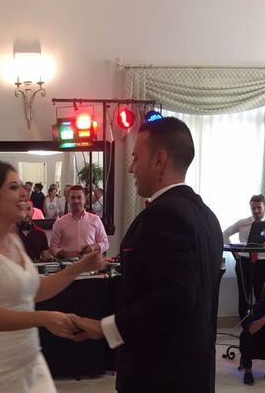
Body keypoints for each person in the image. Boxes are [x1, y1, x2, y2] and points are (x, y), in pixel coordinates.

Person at [71, 117, 223, 393]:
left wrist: (104, 328)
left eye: (135, 157)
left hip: (160, 374)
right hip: (195, 371)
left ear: (159, 160)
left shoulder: (163, 215)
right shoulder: (207, 216)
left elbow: (173, 298)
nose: (131, 168)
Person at [0, 159, 105, 392]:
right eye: (13, 187)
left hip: (28, 357)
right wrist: (43, 318)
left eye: (21, 186)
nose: (24, 192)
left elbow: (35, 290)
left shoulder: (14, 239)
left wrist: (78, 267)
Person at [49, 185, 109, 259]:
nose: (76, 201)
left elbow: (105, 243)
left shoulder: (95, 220)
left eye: (79, 197)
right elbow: (53, 248)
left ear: (85, 199)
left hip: (90, 265)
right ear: (68, 200)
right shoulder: (60, 222)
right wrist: (66, 254)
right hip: (68, 267)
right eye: (73, 198)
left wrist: (93, 247)